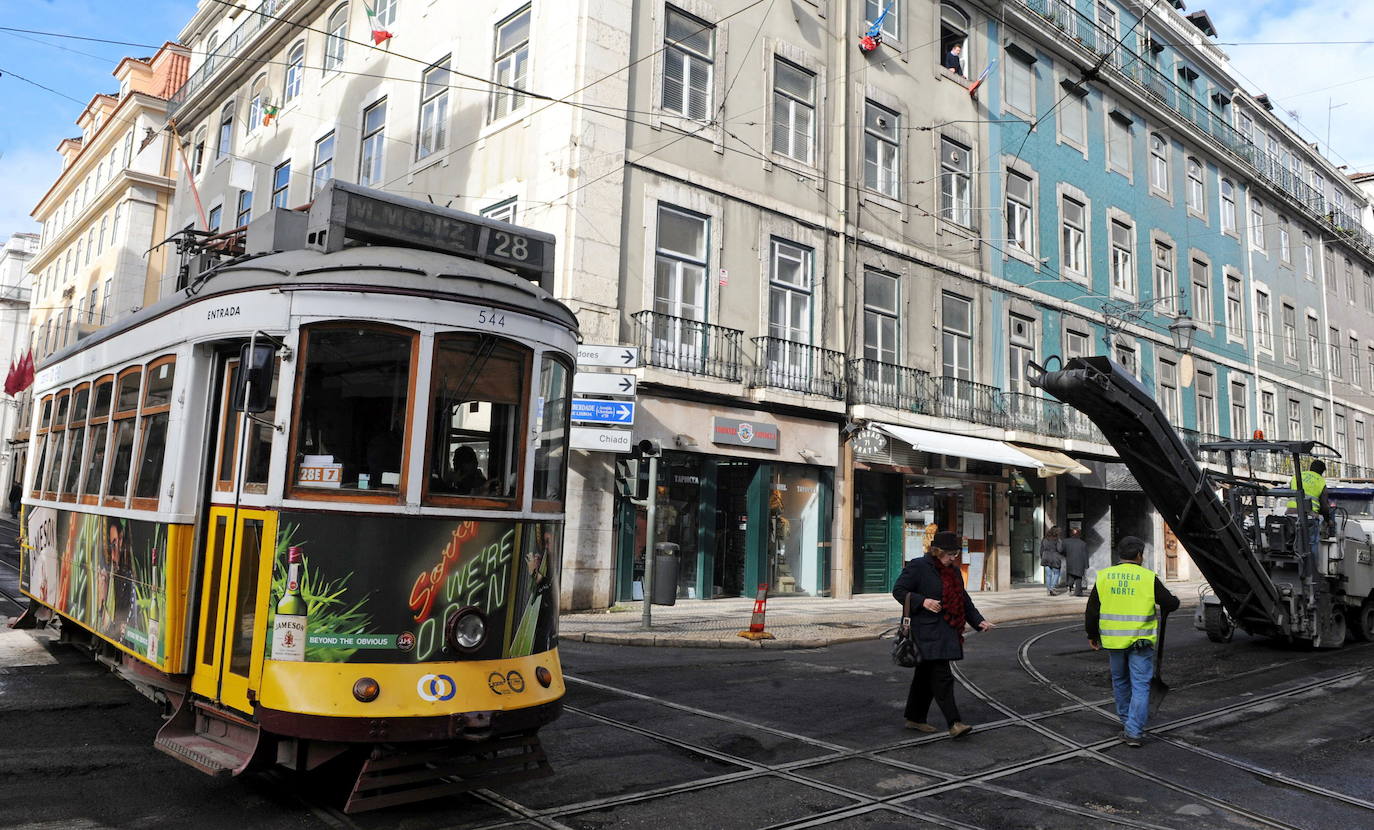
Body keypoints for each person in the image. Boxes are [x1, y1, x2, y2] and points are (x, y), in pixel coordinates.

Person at [893, 531, 995, 738]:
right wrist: (923, 601)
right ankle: (954, 722)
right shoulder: (919, 567)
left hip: (946, 630)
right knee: (942, 676)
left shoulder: (955, 572)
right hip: (925, 631)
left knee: (924, 677)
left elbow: (963, 599)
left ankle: (915, 718)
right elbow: (899, 590)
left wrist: (978, 620)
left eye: (955, 554)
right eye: (949, 554)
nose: (952, 558)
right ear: (937, 551)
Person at [1085, 535, 1180, 747]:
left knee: (1119, 682)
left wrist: (1092, 635)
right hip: (1140, 643)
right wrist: (1174, 601)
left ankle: (1126, 722)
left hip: (1114, 643)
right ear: (1139, 555)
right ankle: (1134, 731)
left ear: (1120, 555)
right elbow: (1170, 603)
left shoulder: (1104, 576)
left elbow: (1092, 610)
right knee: (1140, 685)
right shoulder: (1148, 578)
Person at [1286, 459, 1332, 556]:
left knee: (1291, 542)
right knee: (1311, 544)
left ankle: (1291, 567)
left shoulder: (1296, 476)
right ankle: (1310, 568)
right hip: (1309, 518)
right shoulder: (1320, 481)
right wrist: (1328, 520)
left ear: (1310, 468)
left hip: (1291, 514)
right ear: (1322, 472)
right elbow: (1324, 506)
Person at [1061, 527, 1089, 597]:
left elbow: (1062, 551)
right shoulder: (1083, 543)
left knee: (1071, 575)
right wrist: (1086, 565)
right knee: (1079, 577)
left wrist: (1067, 556)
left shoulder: (1065, 541)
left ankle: (1070, 586)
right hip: (1080, 562)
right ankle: (1077, 592)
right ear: (1079, 534)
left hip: (1070, 561)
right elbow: (1085, 555)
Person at [1040, 526, 1064, 596]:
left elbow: (1041, 549)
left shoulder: (1045, 539)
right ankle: (1052, 588)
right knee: (1056, 573)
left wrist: (1042, 557)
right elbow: (1060, 549)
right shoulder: (1057, 540)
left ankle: (1048, 590)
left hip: (1045, 557)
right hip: (1055, 557)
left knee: (1048, 575)